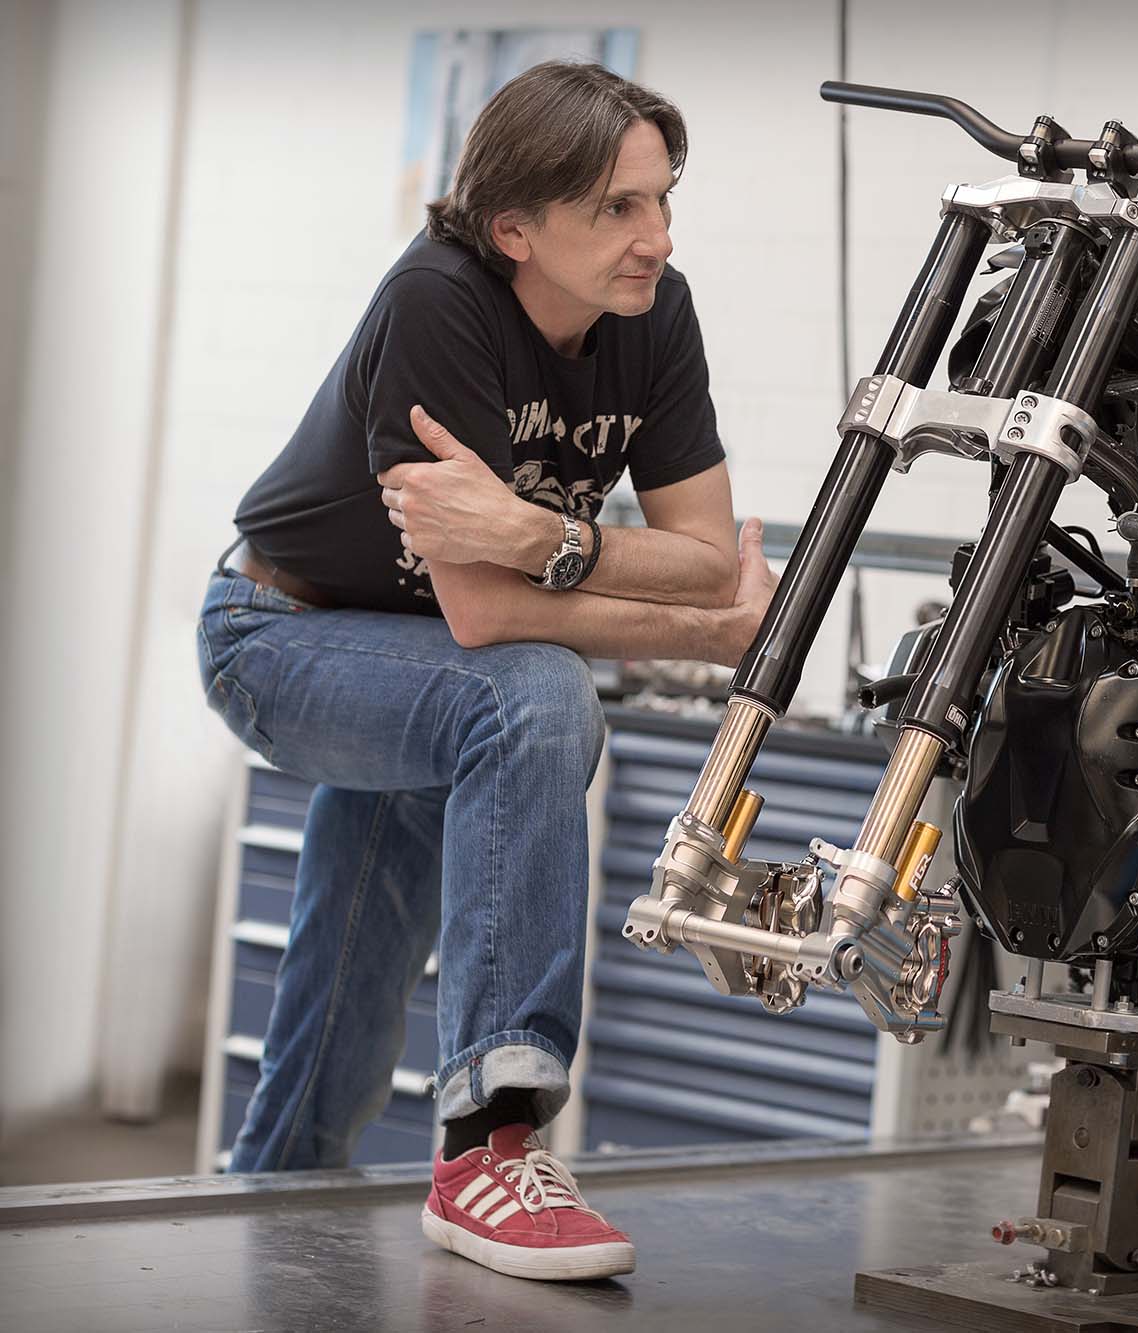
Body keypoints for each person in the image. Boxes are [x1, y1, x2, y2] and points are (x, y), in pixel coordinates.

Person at [196, 61, 775, 1282]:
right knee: (532, 693)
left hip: (415, 664)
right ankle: (490, 1137)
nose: (657, 238)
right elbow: (489, 613)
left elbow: (704, 555)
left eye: (662, 201)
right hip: (278, 635)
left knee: (355, 967)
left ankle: (270, 1194)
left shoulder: (654, 313)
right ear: (515, 227)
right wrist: (690, 624)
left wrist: (535, 533)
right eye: (618, 208)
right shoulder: (438, 303)